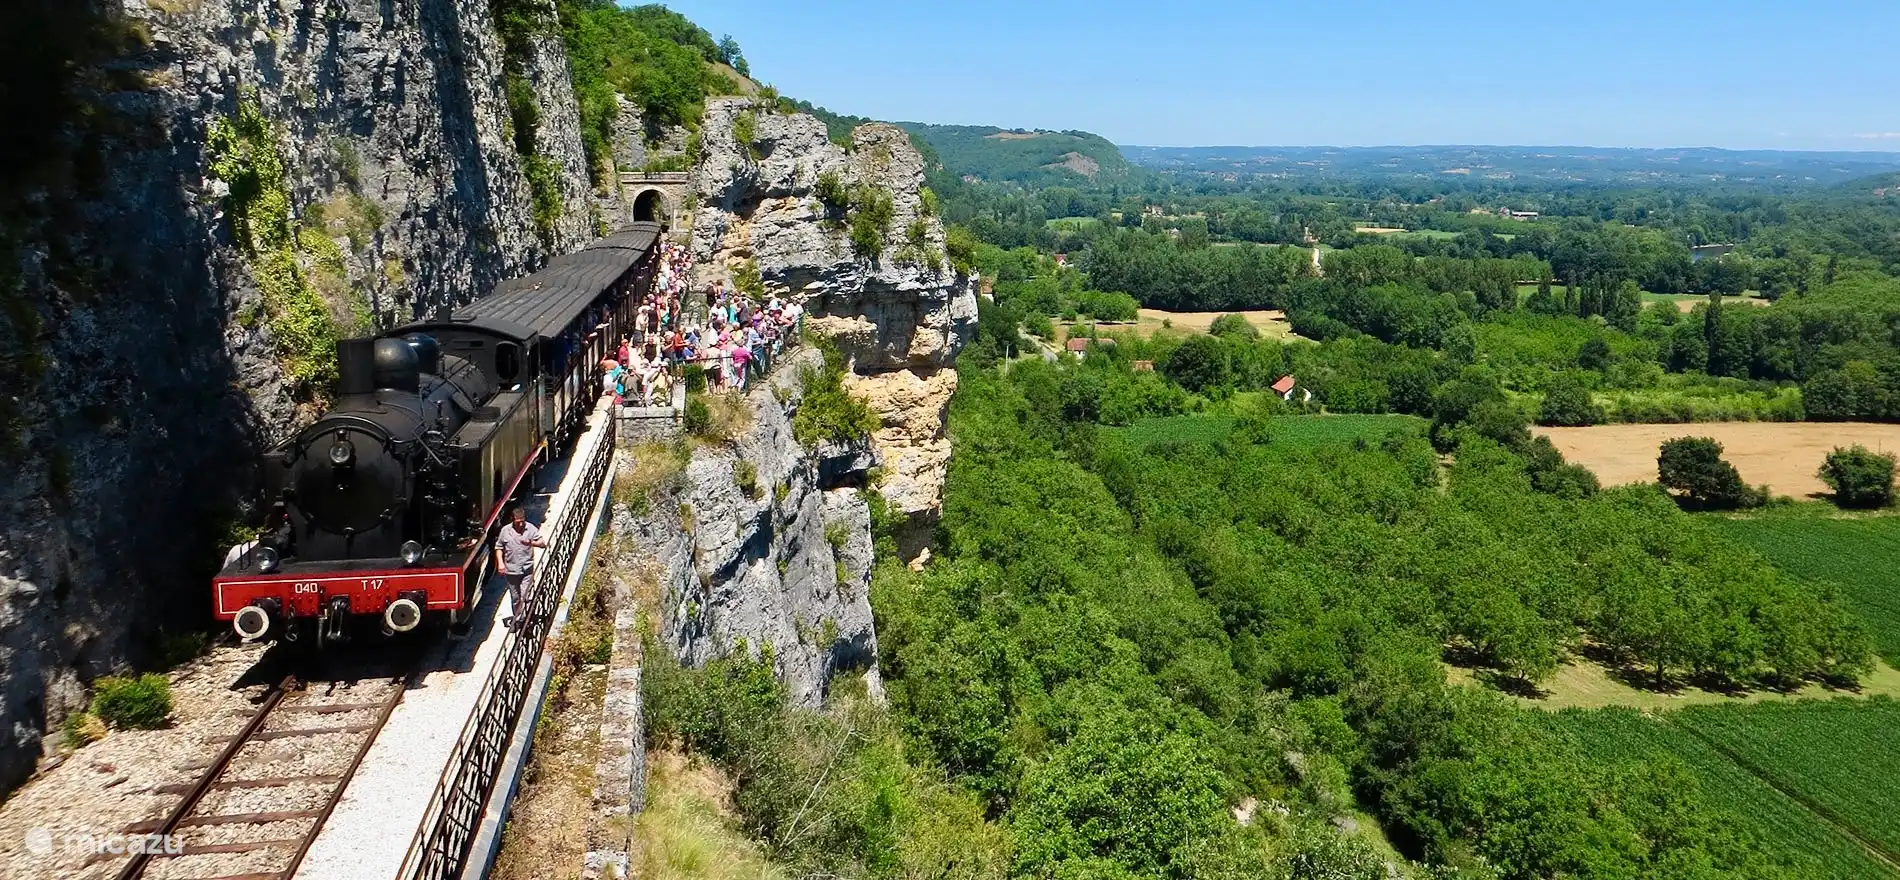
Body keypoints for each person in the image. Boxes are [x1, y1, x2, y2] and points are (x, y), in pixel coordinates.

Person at [492, 506, 547, 631]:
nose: (521, 524)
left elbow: (543, 543)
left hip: (526, 569)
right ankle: (518, 618)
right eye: (518, 522)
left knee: (525, 595)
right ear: (513, 520)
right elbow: (499, 547)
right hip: (511, 571)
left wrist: (531, 543)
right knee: (516, 597)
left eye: (522, 521)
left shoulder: (530, 528)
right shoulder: (505, 531)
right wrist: (500, 563)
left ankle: (524, 620)